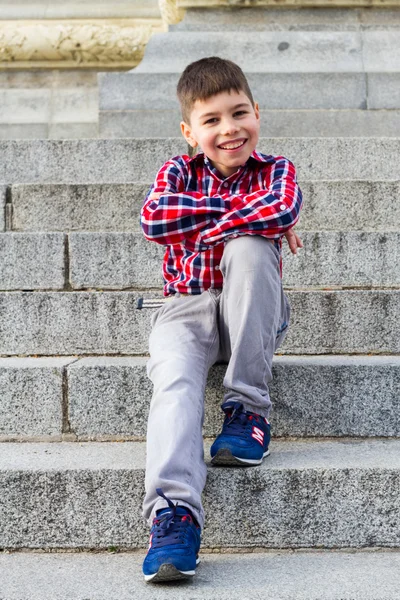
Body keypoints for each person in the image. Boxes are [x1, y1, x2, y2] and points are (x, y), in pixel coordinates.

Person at [140, 56, 303, 583]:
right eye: (212, 121)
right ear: (190, 131)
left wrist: (226, 225)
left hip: (251, 310)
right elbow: (154, 219)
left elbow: (280, 209)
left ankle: (248, 409)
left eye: (239, 114)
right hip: (183, 308)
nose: (229, 129)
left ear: (257, 111)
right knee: (175, 382)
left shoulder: (277, 169)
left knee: (254, 247)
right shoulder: (176, 171)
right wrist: (244, 217)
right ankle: (174, 513)